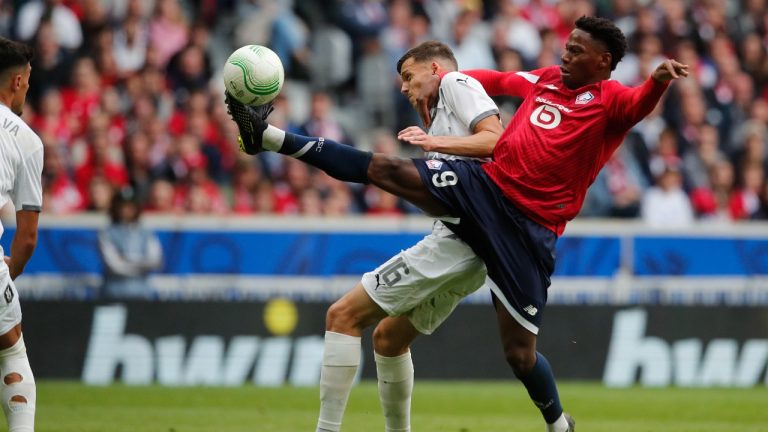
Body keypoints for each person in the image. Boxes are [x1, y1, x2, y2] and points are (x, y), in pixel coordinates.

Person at [226, 16, 688, 432]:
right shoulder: (546, 80)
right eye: (565, 46)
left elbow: (637, 104)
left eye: (575, 50)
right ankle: (268, 136)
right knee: (386, 177)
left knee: (520, 355)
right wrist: (452, 77)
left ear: (602, 61)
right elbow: (502, 78)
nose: (564, 55)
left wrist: (659, 81)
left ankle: (559, 424)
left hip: (529, 230)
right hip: (484, 193)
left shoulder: (611, 101)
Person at [316, 41, 503, 432]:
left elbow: (494, 139)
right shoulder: (441, 111)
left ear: (435, 68)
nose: (403, 86)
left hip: (457, 243)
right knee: (388, 339)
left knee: (342, 316)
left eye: (407, 75)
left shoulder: (456, 81)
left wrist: (435, 142)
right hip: (474, 248)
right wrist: (435, 130)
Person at [0, 36, 43, 432]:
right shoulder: (25, 139)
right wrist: (10, 272)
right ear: (17, 82)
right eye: (28, 80)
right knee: (11, 347)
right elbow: (26, 238)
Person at [97, 187, 163, 300]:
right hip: (113, 293)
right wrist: (141, 263)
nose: (126, 210)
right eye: (122, 206)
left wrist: (127, 259)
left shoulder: (145, 232)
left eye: (130, 206)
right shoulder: (107, 233)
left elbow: (156, 261)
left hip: (142, 293)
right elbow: (114, 266)